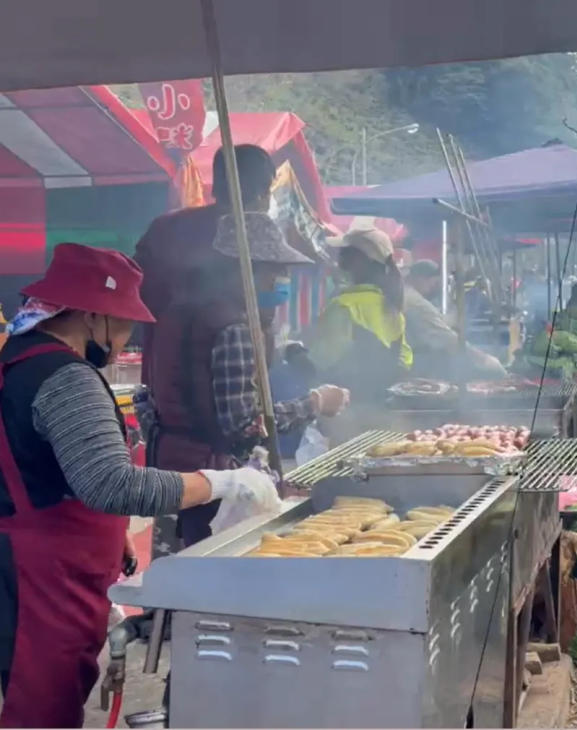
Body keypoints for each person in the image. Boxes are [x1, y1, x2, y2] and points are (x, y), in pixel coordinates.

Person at [0, 244, 280, 728]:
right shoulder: (66, 379)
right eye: (124, 322)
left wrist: (116, 536)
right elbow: (113, 484)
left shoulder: (16, 360)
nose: (128, 335)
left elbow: (52, 467)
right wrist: (223, 482)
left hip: (24, 562)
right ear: (92, 316)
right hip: (43, 579)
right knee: (41, 713)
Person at [148, 212, 348, 547]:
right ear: (247, 271)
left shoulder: (179, 311)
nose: (281, 279)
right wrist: (315, 403)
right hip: (214, 479)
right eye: (273, 270)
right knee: (215, 576)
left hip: (173, 468)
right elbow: (243, 423)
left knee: (179, 577)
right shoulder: (231, 327)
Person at [135, 144, 278, 386]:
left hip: (163, 376)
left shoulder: (166, 227)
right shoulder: (256, 242)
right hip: (227, 383)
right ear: (262, 194)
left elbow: (136, 294)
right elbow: (265, 315)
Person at [305, 228, 412, 399]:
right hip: (380, 404)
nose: (338, 258)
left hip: (343, 405)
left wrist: (294, 353)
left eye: (344, 253)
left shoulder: (344, 306)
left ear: (357, 261)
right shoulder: (392, 306)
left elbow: (321, 361)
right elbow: (404, 360)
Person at [403, 259, 507, 379]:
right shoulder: (415, 301)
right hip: (413, 369)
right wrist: (485, 360)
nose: (434, 289)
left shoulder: (406, 294)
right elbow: (448, 340)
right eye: (434, 284)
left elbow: (436, 320)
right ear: (420, 279)